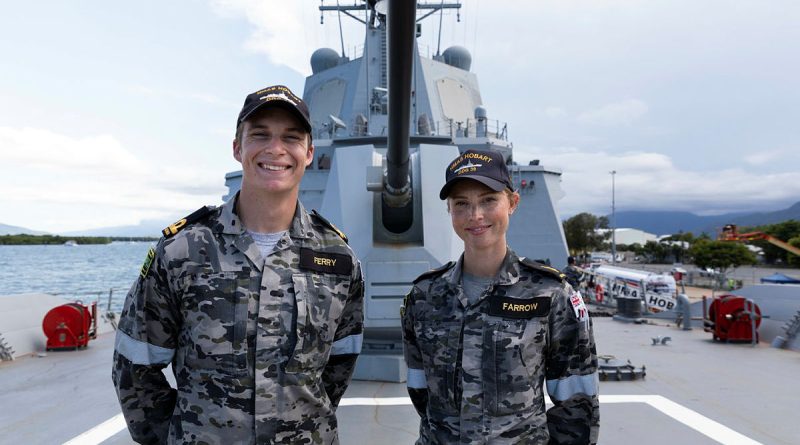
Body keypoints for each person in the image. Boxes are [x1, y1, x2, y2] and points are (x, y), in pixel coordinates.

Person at [112, 85, 364, 444]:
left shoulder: (338, 260)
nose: (275, 149)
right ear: (237, 148)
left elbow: (339, 365)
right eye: (259, 135)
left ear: (308, 153)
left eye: (290, 138)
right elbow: (136, 366)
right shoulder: (181, 250)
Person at [401, 149, 599, 444]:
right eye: (462, 204)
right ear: (449, 210)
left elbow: (577, 407)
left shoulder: (551, 295)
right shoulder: (424, 296)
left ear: (513, 203)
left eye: (488, 200)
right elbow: (421, 391)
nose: (475, 215)